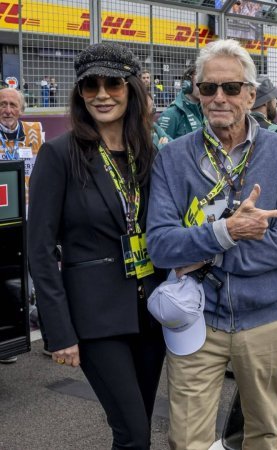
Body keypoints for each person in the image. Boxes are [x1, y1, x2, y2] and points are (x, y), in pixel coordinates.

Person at [146, 39, 277, 450]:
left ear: (251, 94)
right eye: (209, 87)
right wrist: (228, 232)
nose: (219, 97)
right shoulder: (173, 158)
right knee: (185, 438)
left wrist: (198, 256)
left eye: (231, 88)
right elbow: (161, 246)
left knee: (264, 434)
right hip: (197, 319)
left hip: (266, 319)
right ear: (196, 92)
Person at [28, 42, 165, 449]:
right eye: (91, 85)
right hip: (94, 317)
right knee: (134, 434)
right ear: (80, 92)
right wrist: (59, 331)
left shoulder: (150, 154)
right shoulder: (58, 154)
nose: (102, 94)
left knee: (136, 428)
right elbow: (39, 250)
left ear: (131, 90)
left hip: (149, 311)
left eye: (113, 83)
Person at [156, 66, 203, 140]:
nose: (204, 87)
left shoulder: (206, 111)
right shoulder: (171, 114)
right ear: (188, 85)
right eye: (199, 83)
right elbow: (162, 148)